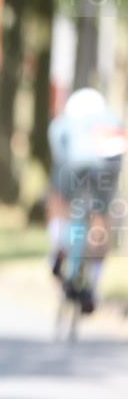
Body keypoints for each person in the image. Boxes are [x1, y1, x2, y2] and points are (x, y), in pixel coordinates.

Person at [47, 87, 125, 313]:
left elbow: (58, 147)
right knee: (103, 219)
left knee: (62, 205)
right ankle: (94, 283)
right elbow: (120, 148)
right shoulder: (111, 118)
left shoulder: (66, 120)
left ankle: (60, 249)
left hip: (75, 165)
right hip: (106, 169)